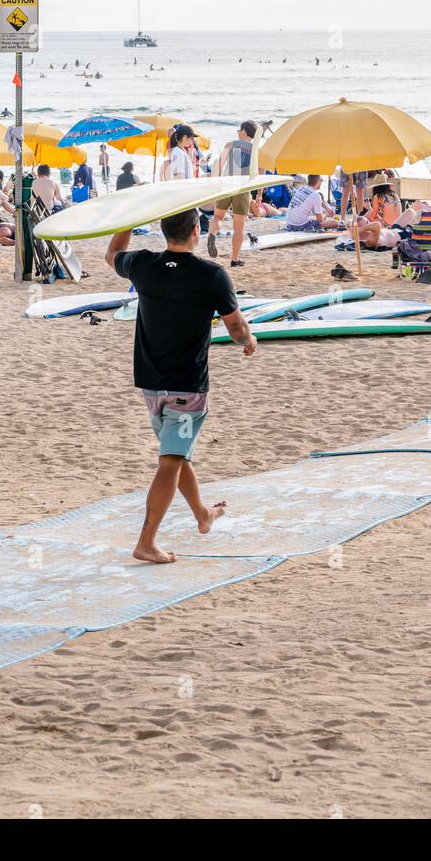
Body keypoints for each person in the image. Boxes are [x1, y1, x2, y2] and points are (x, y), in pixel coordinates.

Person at [106, 207, 257, 563]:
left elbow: (112, 254)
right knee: (172, 458)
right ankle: (146, 542)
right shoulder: (211, 275)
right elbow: (235, 328)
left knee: (176, 452)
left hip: (150, 383)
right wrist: (248, 341)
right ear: (195, 231)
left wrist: (126, 220)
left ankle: (202, 514)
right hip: (187, 387)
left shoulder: (142, 265)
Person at [207, 119, 257, 268]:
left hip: (226, 185)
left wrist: (214, 184)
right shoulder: (255, 150)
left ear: (243, 132)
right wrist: (258, 194)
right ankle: (235, 259)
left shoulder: (230, 145)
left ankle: (212, 234)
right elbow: (257, 173)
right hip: (243, 189)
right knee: (239, 227)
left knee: (217, 216)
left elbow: (219, 165)